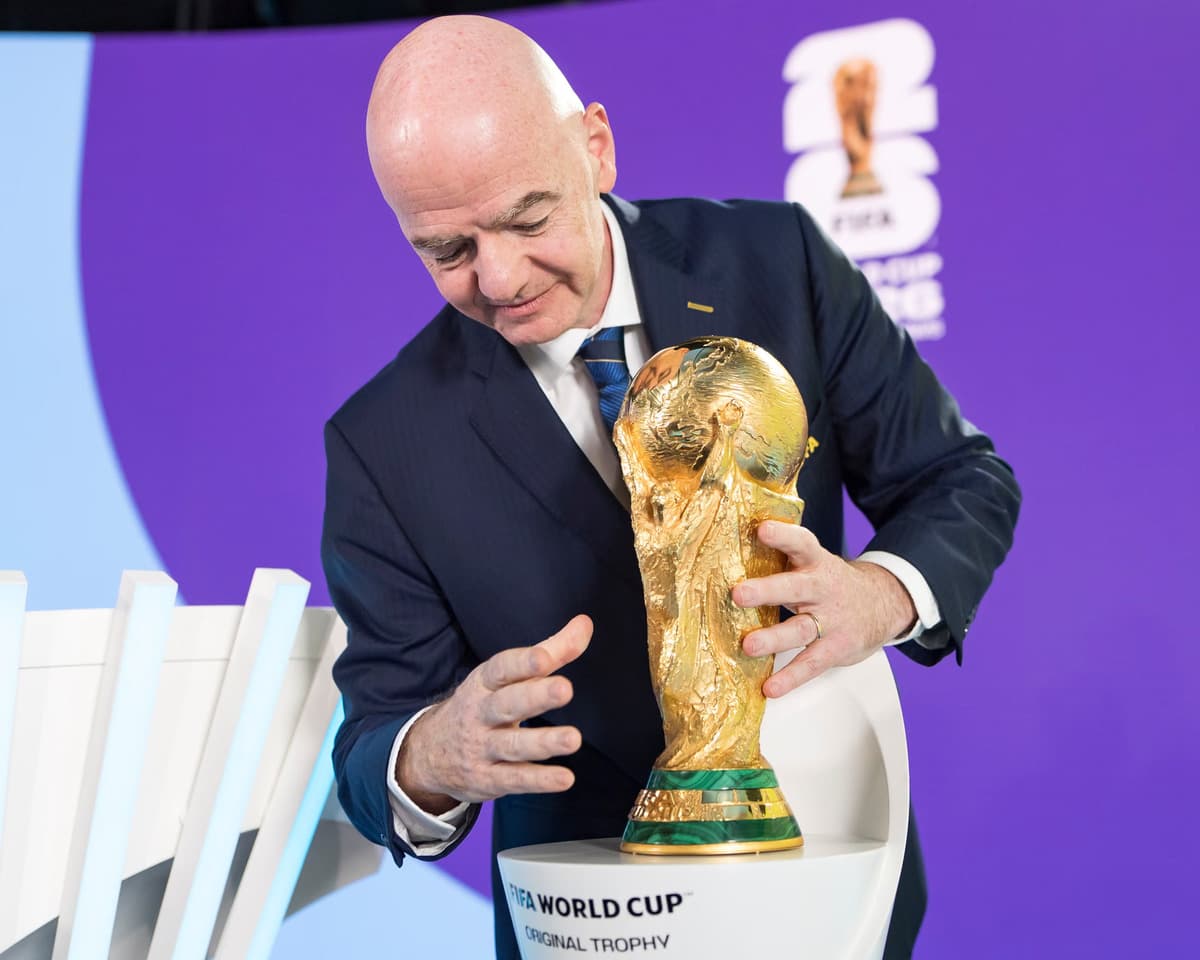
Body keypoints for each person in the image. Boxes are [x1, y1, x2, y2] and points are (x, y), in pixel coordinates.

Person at [321, 15, 1020, 959]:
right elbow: (372, 746)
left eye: (529, 219)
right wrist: (433, 753)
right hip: (588, 929)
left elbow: (958, 477)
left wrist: (882, 594)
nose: (501, 277)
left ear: (596, 147)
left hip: (828, 880)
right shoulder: (381, 441)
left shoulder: (780, 261)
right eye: (447, 251)